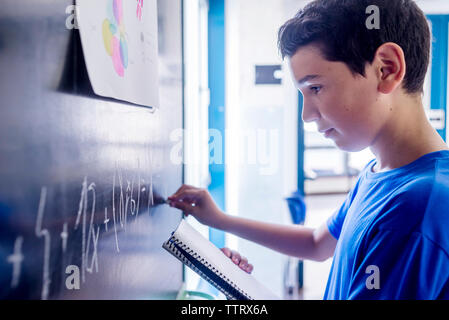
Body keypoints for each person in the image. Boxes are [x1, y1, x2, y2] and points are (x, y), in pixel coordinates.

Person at [169, 0, 449, 299]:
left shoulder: (418, 206)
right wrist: (220, 220)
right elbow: (317, 243)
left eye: (315, 88)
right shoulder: (380, 174)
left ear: (386, 69)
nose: (307, 115)